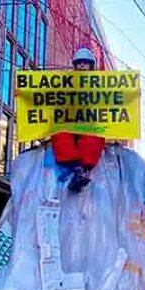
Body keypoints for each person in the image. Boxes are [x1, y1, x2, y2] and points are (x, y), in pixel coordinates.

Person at [51, 47, 106, 192]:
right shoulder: (65, 84)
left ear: (91, 66)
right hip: (69, 123)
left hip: (90, 124)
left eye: (85, 63)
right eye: (79, 63)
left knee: (93, 137)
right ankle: (74, 167)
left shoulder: (101, 85)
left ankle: (82, 169)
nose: (82, 65)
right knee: (60, 134)